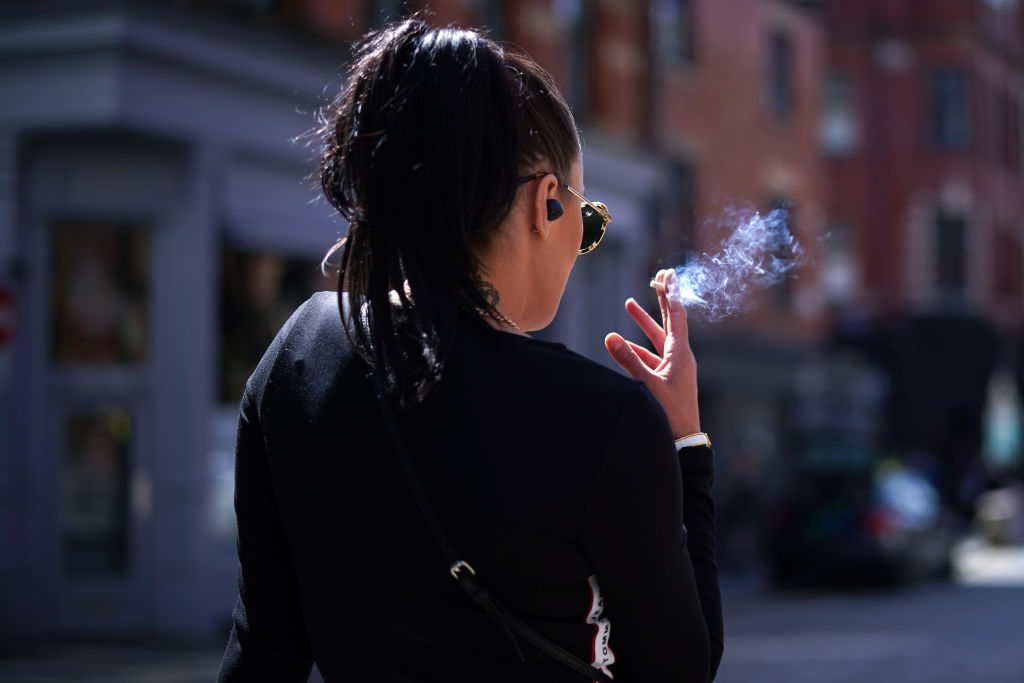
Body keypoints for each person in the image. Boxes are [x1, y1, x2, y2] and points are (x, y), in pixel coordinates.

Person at [217, 16, 722, 683]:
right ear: (545, 204)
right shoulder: (603, 419)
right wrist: (684, 443)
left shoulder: (295, 356)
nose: (582, 243)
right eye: (587, 221)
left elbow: (263, 654)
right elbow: (682, 668)